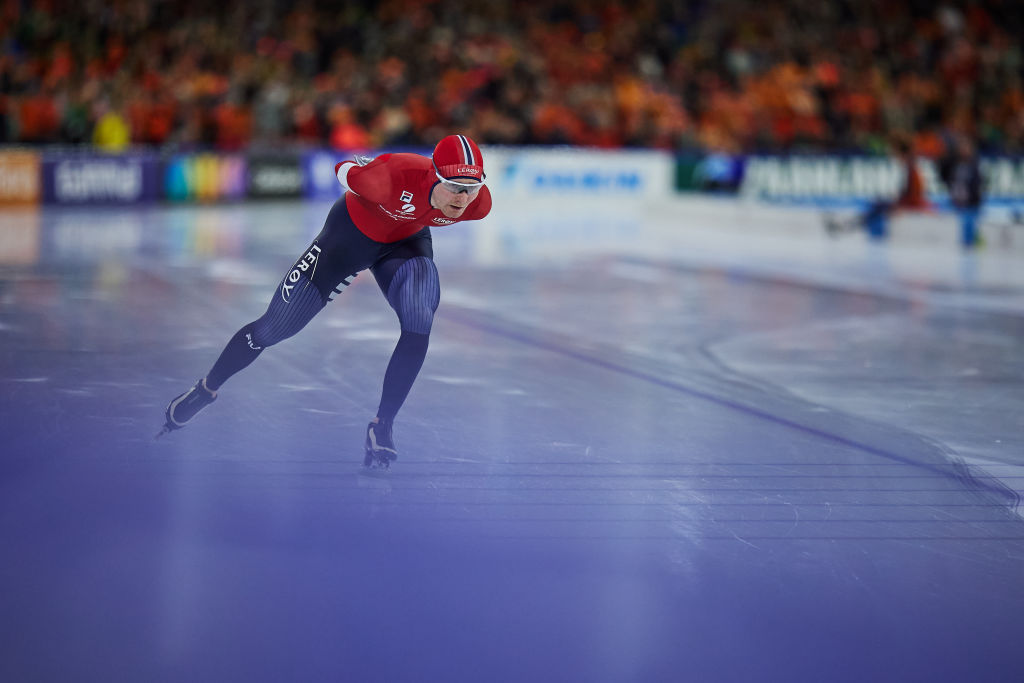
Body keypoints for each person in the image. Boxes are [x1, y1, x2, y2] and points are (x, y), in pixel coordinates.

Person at [158, 134, 492, 467]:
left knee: (420, 317)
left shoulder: (479, 204)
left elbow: (462, 198)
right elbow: (343, 166)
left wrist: (458, 195)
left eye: (472, 187)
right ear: (434, 175)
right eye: (455, 186)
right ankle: (206, 389)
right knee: (272, 330)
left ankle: (383, 425)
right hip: (346, 242)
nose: (463, 198)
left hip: (404, 242)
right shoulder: (391, 176)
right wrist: (368, 170)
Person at [825, 138, 929, 239]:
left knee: (876, 208)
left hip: (911, 203)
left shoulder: (911, 168)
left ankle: (843, 228)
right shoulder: (910, 166)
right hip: (908, 202)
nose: (893, 156)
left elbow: (914, 193)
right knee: (876, 205)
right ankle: (844, 227)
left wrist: (900, 205)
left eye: (894, 152)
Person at [939, 135, 984, 248]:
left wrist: (972, 201)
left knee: (968, 223)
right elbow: (945, 177)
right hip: (956, 202)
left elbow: (977, 185)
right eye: (961, 148)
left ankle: (970, 243)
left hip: (970, 204)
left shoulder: (974, 165)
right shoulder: (955, 164)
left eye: (966, 147)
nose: (963, 150)